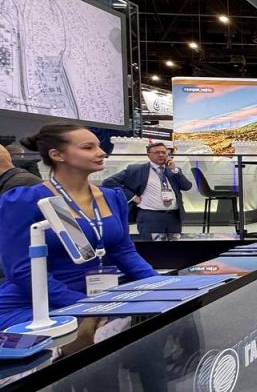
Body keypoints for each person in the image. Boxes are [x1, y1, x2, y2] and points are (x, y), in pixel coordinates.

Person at [0, 124, 159, 331]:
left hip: (95, 297)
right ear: (57, 155)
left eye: (98, 146)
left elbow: (124, 251)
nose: (101, 153)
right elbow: (21, 269)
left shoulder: (111, 197)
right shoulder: (25, 200)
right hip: (35, 303)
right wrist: (83, 305)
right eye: (88, 147)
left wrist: (161, 285)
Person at [101, 143, 193, 237]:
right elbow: (109, 182)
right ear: (148, 155)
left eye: (163, 152)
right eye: (157, 152)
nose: (161, 155)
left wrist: (174, 170)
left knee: (174, 245)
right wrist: (132, 196)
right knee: (150, 245)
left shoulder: (173, 170)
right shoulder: (136, 170)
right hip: (150, 217)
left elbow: (187, 186)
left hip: (174, 217)